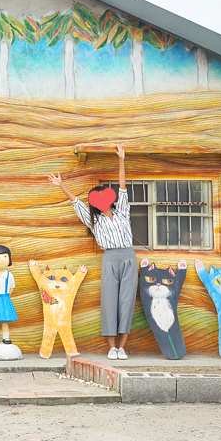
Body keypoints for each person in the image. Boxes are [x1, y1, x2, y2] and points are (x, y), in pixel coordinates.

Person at [47, 143, 137, 360]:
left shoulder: (123, 210)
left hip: (128, 256)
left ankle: (122, 347)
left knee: (127, 300)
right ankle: (111, 347)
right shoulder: (92, 219)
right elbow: (75, 202)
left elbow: (123, 186)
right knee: (109, 300)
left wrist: (121, 159)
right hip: (110, 259)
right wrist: (61, 185)